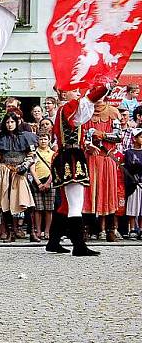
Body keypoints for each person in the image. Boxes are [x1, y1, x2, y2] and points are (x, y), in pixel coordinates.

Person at [46, 83, 110, 257]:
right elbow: (89, 101)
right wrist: (106, 86)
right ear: (64, 94)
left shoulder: (63, 111)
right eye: (74, 90)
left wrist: (86, 146)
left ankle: (53, 242)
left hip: (68, 154)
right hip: (71, 158)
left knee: (65, 205)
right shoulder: (68, 108)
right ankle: (79, 245)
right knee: (76, 204)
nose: (77, 93)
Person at [0, 113, 36, 243]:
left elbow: (31, 154)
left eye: (12, 122)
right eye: (7, 122)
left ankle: (32, 232)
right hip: (5, 172)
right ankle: (10, 232)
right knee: (6, 204)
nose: (10, 124)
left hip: (20, 172)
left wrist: (25, 165)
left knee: (26, 203)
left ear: (17, 123)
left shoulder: (26, 137)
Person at [84, 99, 120, 241]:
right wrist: (89, 142)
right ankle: (86, 228)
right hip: (90, 158)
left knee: (108, 193)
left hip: (106, 158)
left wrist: (103, 135)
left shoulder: (113, 111)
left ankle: (111, 229)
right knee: (88, 194)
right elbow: (82, 135)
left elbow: (118, 136)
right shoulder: (86, 111)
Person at [30, 132, 55, 241]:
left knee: (49, 209)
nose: (43, 141)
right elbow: (32, 168)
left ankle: (48, 231)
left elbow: (55, 169)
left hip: (50, 181)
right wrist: (39, 183)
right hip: (37, 181)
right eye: (41, 139)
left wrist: (48, 182)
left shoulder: (53, 153)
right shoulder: (34, 153)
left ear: (49, 140)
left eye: (45, 139)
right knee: (38, 209)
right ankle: (38, 230)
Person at [122, 129, 142, 240]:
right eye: (140, 137)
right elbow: (130, 166)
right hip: (134, 182)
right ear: (134, 138)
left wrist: (137, 165)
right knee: (133, 207)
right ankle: (132, 229)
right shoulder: (129, 152)